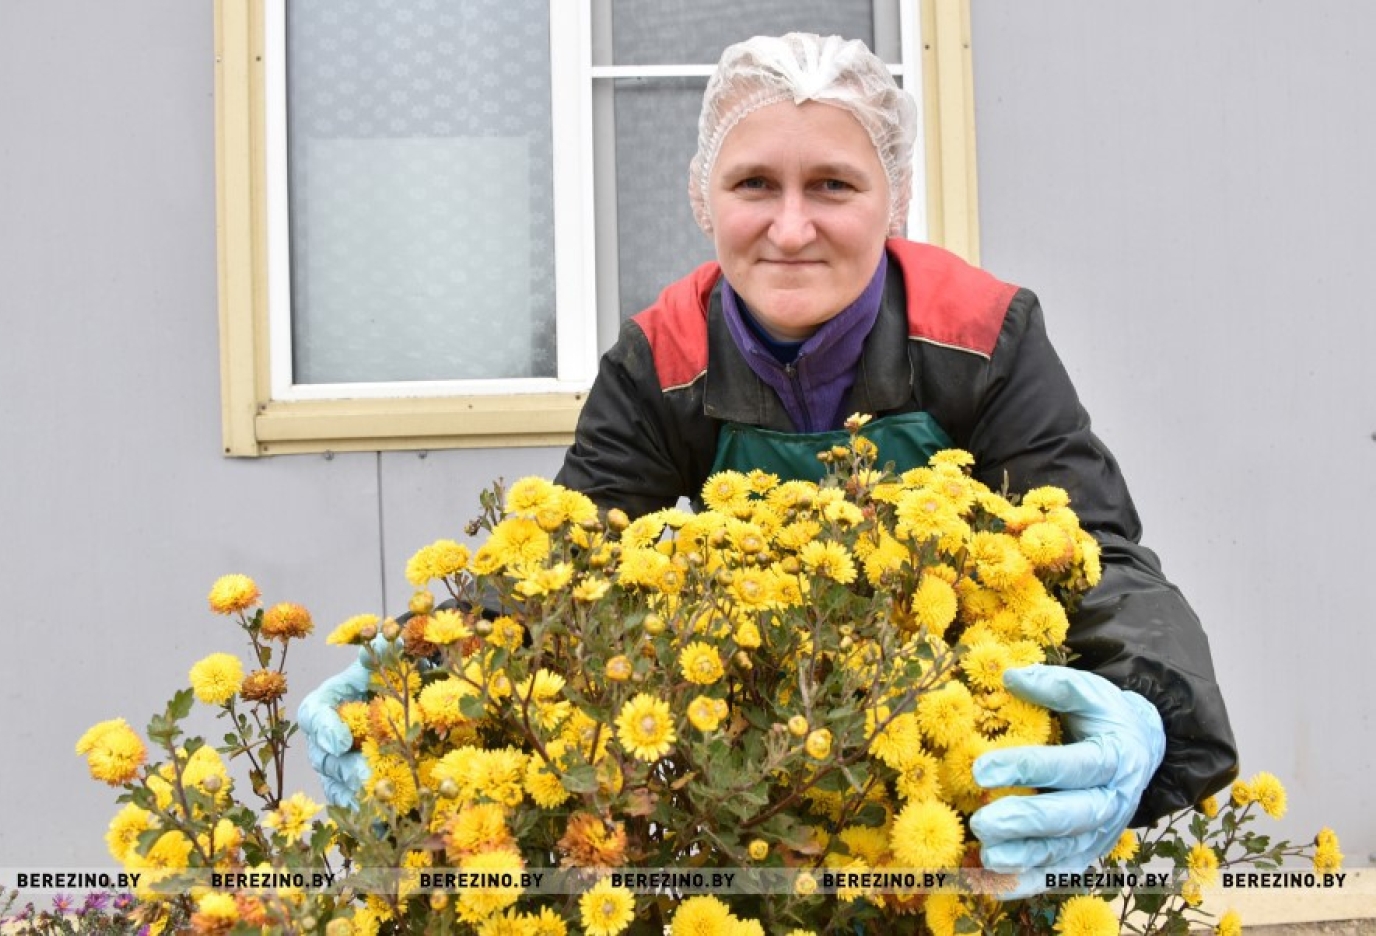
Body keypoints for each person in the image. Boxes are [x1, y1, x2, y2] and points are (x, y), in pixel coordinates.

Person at [300, 32, 1237, 896]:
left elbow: (1095, 552)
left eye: (833, 185)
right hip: (754, 798)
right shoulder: (662, 359)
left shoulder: (981, 336)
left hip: (959, 801)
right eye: (754, 185)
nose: (791, 230)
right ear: (703, 194)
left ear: (895, 197)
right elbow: (558, 574)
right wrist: (420, 669)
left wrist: (1143, 705)